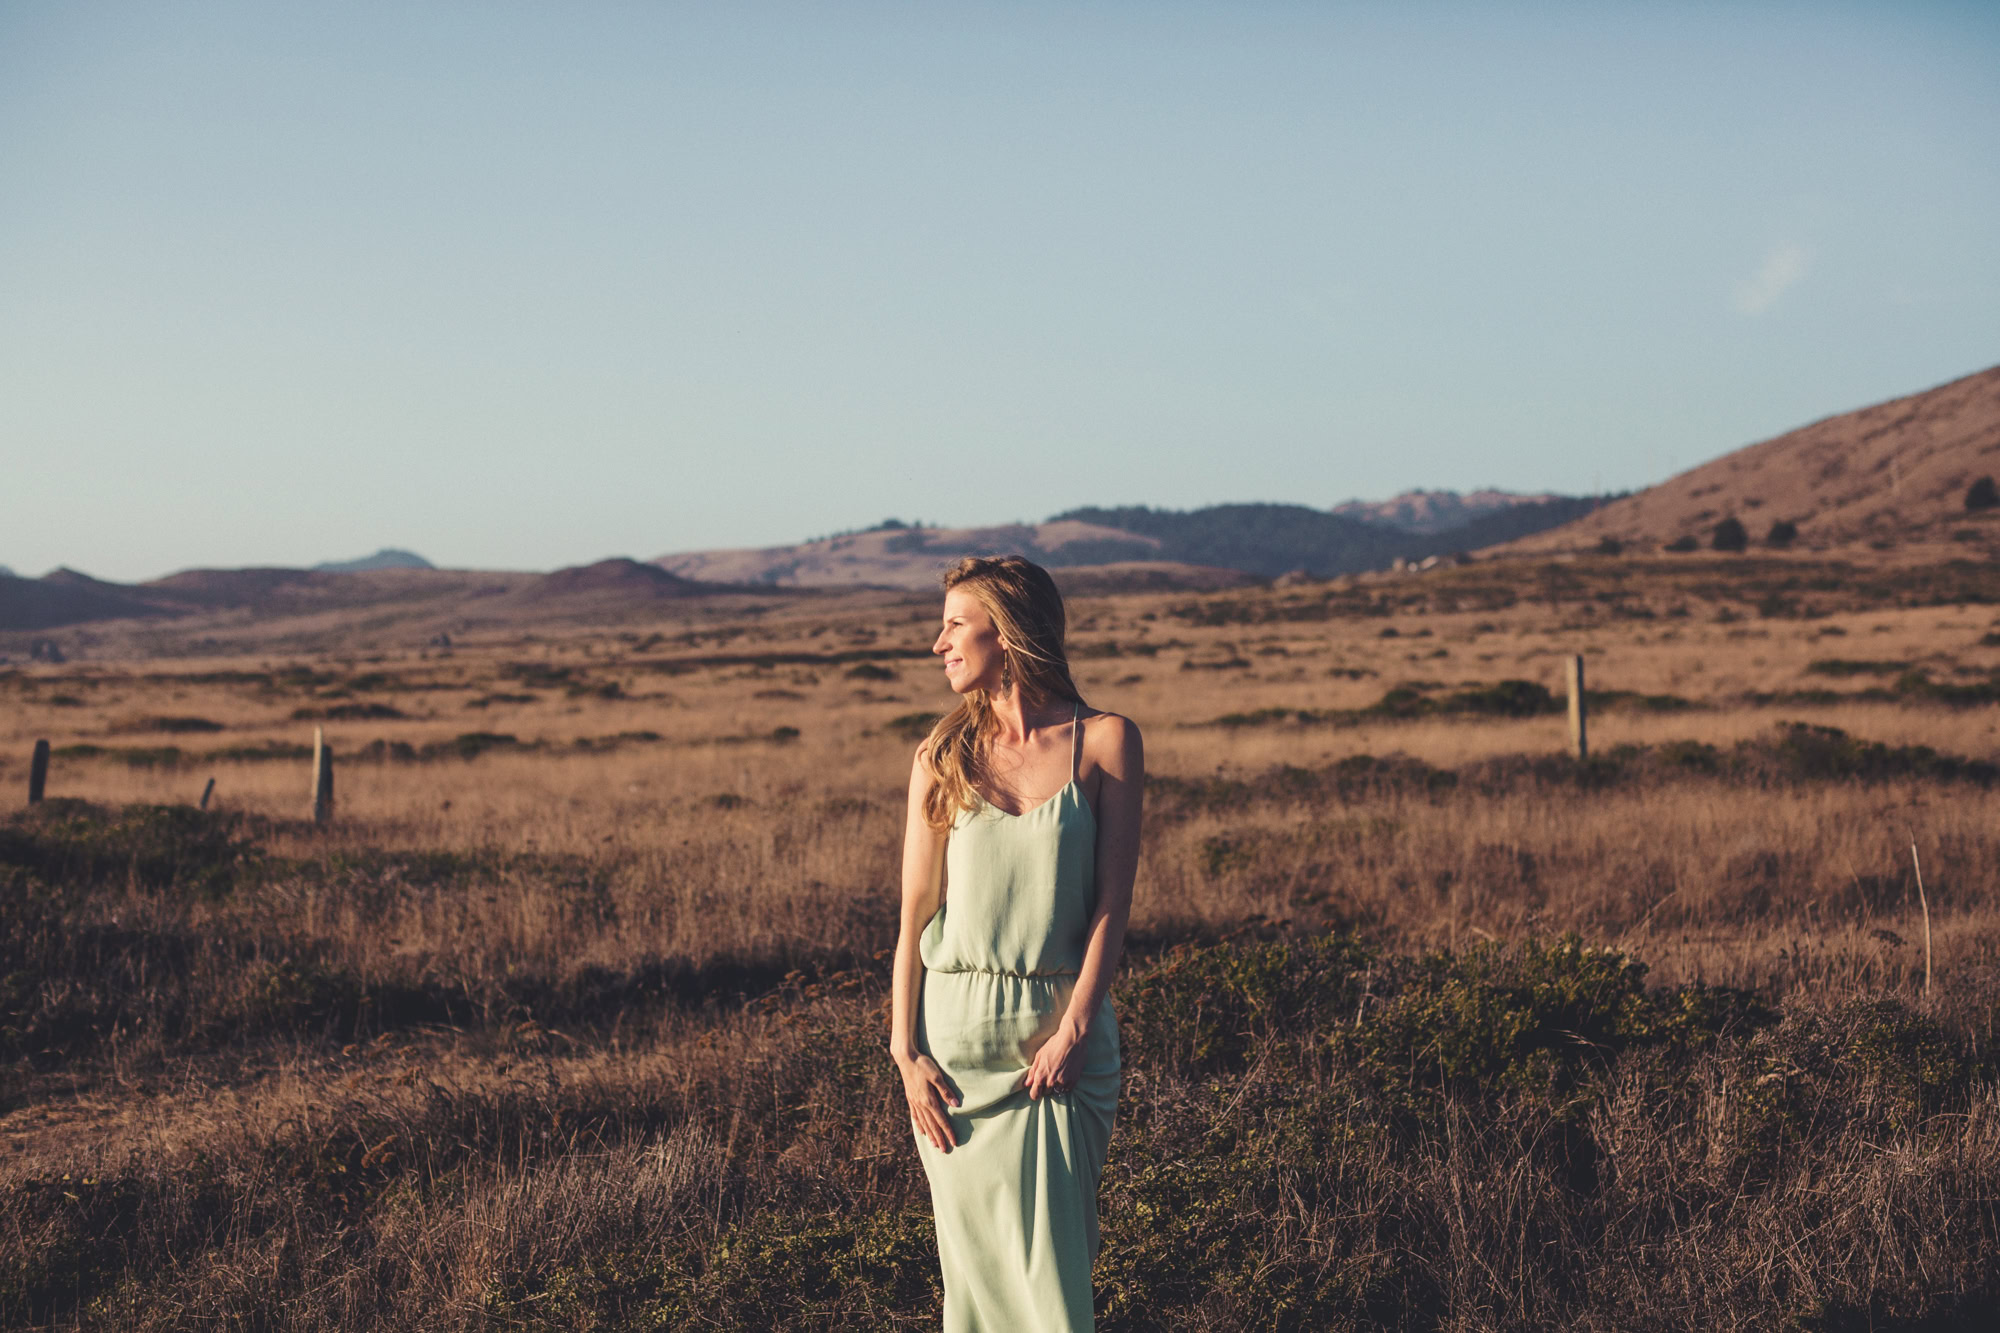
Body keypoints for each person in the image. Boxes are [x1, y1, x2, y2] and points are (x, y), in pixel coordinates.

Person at [889, 554, 1145, 1332]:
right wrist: (904, 1053)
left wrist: (1072, 1030)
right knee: (974, 1288)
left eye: (954, 624)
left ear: (1006, 633)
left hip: (1056, 1053)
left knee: (1053, 1290)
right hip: (952, 1061)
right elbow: (911, 921)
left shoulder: (1105, 742)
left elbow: (1111, 909)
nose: (939, 643)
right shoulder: (940, 757)